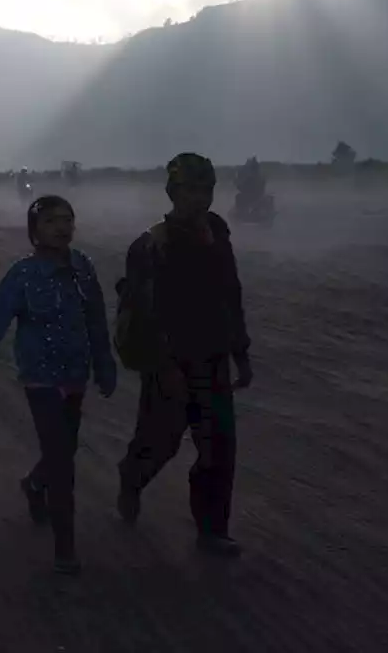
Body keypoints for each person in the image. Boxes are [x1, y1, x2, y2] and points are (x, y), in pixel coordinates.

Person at [0, 195, 117, 575]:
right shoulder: (22, 276)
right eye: (51, 221)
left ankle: (34, 484)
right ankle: (65, 548)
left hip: (75, 375)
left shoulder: (83, 268)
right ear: (34, 230)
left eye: (68, 219)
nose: (62, 227)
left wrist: (105, 368)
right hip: (40, 378)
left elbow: (96, 324)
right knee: (61, 459)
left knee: (65, 450)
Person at [115, 152, 252, 558]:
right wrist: (163, 366)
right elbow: (145, 313)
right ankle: (131, 479)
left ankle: (212, 530)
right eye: (191, 189)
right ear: (173, 192)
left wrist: (240, 353)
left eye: (206, 189)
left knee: (219, 447)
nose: (200, 197)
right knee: (160, 442)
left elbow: (231, 295)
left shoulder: (218, 233)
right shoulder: (151, 245)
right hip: (169, 362)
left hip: (212, 358)